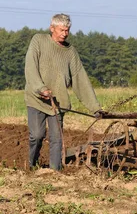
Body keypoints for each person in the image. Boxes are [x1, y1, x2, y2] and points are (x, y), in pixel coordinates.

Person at [24, 13, 103, 171]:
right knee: (37, 135)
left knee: (57, 139)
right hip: (37, 99)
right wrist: (41, 88)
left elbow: (81, 79)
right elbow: (30, 67)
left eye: (67, 30)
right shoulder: (38, 41)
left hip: (58, 102)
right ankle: (31, 165)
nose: (65, 33)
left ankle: (55, 171)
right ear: (51, 28)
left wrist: (95, 107)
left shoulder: (70, 51)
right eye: (61, 30)